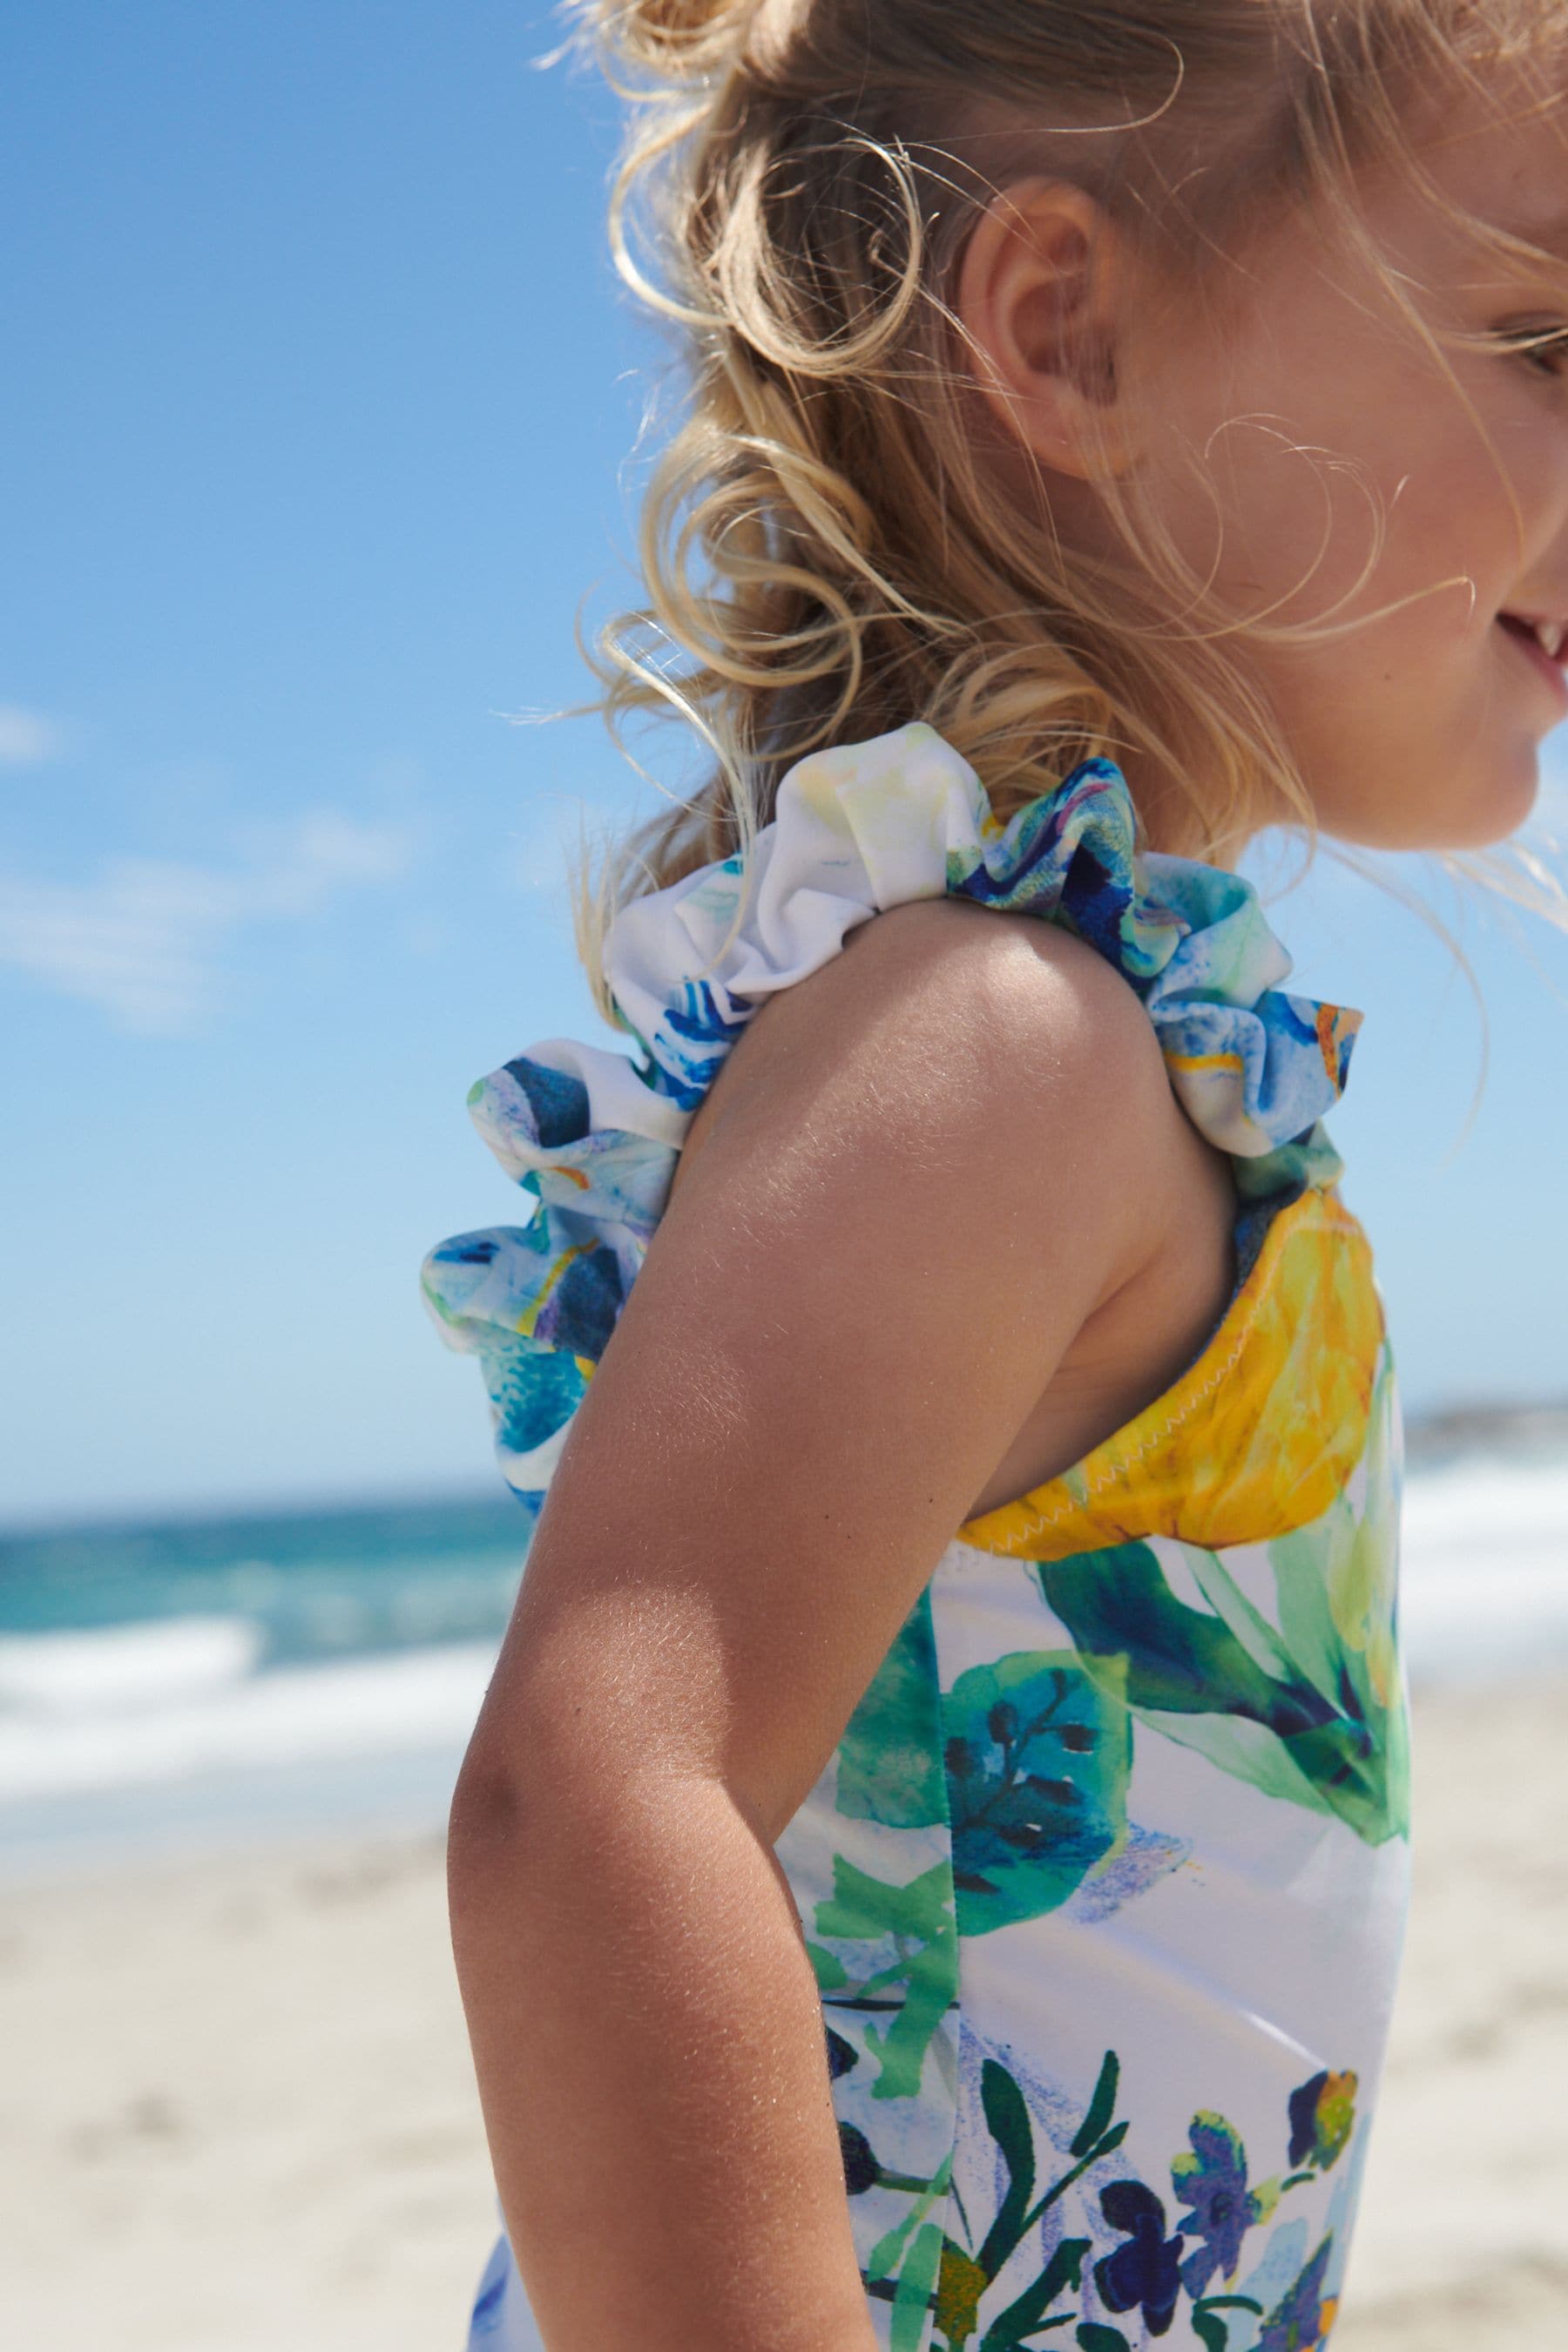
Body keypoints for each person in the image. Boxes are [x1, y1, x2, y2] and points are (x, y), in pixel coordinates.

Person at [422, 5, 1568, 2347]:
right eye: (1547, 331)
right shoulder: (994, 1039)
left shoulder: (1121, 1036)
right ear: (1070, 337)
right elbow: (594, 1806)